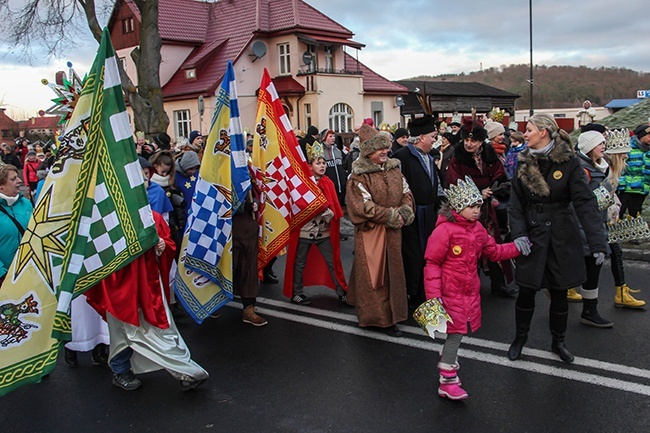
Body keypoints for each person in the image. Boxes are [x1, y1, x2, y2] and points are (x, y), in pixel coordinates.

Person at [507, 114, 607, 363]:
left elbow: (585, 202)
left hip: (563, 235)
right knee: (527, 292)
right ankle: (520, 338)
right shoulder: (523, 164)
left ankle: (558, 341)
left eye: (529, 130)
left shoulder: (569, 163)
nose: (525, 134)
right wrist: (518, 234)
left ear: (543, 132)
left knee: (560, 292)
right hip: (533, 234)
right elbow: (515, 205)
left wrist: (597, 242)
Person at [424, 176, 525, 400]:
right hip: (449, 293)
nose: (477, 211)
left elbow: (494, 251)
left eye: (479, 205)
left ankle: (448, 363)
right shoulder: (444, 231)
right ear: (458, 207)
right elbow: (432, 264)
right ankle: (447, 379)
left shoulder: (477, 229)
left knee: (457, 333)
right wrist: (434, 296)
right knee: (455, 334)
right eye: (472, 206)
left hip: (469, 291)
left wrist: (517, 247)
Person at [85, 210, 209, 391]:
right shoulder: (109, 218)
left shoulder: (152, 216)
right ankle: (121, 371)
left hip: (150, 285)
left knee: (160, 330)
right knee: (123, 331)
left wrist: (162, 246)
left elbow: (168, 242)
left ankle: (183, 369)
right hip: (121, 287)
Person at [346, 124, 415, 337]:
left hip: (393, 233)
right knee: (375, 277)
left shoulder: (394, 169)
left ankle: (393, 315)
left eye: (386, 148)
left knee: (392, 273)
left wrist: (405, 211)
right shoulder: (359, 176)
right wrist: (392, 216)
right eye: (379, 149)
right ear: (368, 152)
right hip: (371, 234)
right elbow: (363, 207)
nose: (385, 151)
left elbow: (407, 193)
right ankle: (378, 319)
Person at [446, 117, 515, 297]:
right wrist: (477, 194)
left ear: (481, 141)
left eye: (473, 140)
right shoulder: (457, 158)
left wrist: (494, 190)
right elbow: (455, 183)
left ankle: (498, 284)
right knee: (469, 249)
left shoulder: (489, 155)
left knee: (492, 245)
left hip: (487, 210)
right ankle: (469, 287)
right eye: (466, 140)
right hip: (467, 212)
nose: (469, 144)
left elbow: (501, 176)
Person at [283, 141, 348, 305]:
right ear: (310, 166)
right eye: (318, 163)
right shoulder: (303, 184)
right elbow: (298, 204)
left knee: (332, 261)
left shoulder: (328, 182)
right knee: (299, 263)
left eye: (323, 162)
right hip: (305, 231)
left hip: (323, 232)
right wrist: (318, 208)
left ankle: (342, 292)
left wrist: (328, 213)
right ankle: (296, 293)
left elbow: (334, 208)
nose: (322, 166)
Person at [392, 115, 444, 307]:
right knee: (412, 254)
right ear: (421, 137)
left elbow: (437, 184)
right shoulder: (401, 157)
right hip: (412, 215)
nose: (435, 140)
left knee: (428, 254)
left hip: (429, 214)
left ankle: (425, 291)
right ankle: (413, 293)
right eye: (432, 136)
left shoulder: (430, 157)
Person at [575, 130, 613, 327]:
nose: (603, 146)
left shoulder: (598, 166)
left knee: (591, 270)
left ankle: (589, 310)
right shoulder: (584, 170)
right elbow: (579, 203)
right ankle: (589, 311)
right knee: (589, 270)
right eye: (600, 143)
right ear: (589, 147)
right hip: (586, 229)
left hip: (595, 226)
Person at [603, 129, 646, 308]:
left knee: (617, 253)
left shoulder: (616, 170)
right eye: (624, 153)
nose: (628, 155)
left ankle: (621, 290)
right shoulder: (606, 170)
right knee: (587, 256)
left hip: (611, 217)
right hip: (602, 219)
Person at [0, 163, 33, 287]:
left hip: (30, 271)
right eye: (13, 179)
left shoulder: (26, 203)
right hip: (5, 277)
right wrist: (2, 275)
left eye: (17, 177)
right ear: (1, 186)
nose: (20, 181)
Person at [149, 151, 186, 252]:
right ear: (155, 166)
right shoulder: (151, 186)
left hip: (170, 222)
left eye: (167, 172)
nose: (165, 175)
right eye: (163, 172)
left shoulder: (171, 184)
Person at [617, 124, 650, 220]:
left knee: (636, 213)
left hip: (642, 188)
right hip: (627, 188)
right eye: (649, 135)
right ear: (641, 135)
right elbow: (620, 167)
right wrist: (621, 184)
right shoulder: (628, 148)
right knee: (620, 211)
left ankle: (633, 232)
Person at [321, 129, 347, 208]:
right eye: (330, 136)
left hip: (341, 184)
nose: (333, 138)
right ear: (324, 138)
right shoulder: (321, 151)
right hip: (330, 184)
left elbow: (343, 165)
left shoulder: (338, 151)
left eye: (334, 136)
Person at [174, 150, 201, 217]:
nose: (193, 172)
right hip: (180, 211)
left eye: (195, 169)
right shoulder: (174, 175)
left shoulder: (197, 174)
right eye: (191, 169)